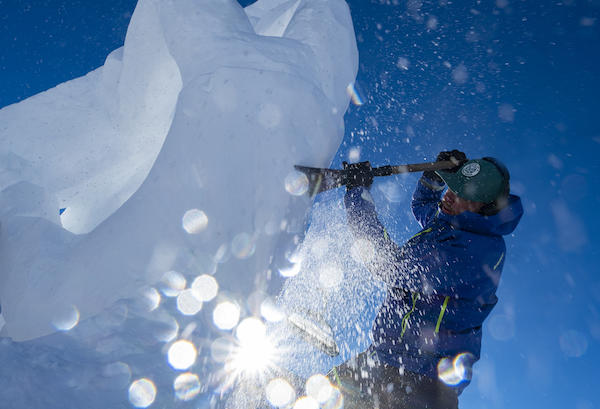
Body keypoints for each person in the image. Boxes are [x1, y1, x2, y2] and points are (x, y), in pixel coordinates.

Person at [330, 150, 523, 409]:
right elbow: (423, 205)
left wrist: (358, 195)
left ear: (484, 209)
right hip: (384, 359)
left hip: (421, 382)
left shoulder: (474, 251)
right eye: (455, 186)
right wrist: (433, 176)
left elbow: (390, 266)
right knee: (317, 396)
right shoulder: (454, 222)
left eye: (464, 194)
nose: (451, 195)